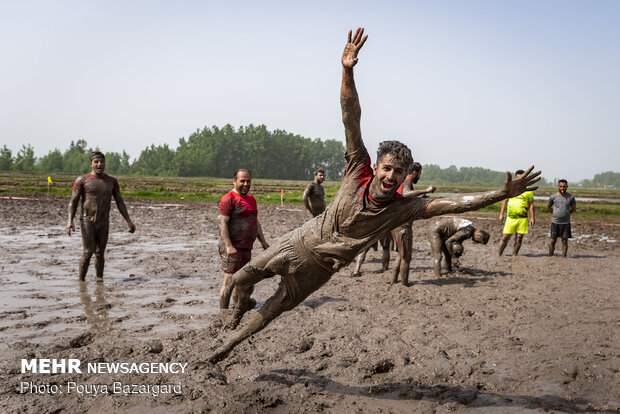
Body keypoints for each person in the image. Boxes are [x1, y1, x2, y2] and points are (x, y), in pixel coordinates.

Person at [207, 28, 540, 363]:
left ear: (404, 176)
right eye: (387, 169)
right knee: (239, 280)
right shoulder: (357, 169)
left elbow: (453, 204)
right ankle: (237, 312)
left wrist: (502, 193)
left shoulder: (402, 209)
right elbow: (351, 116)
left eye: (398, 172)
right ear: (377, 167)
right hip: (298, 242)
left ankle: (226, 347)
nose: (390, 176)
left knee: (273, 310)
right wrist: (347, 70)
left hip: (319, 269)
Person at [67, 151, 136, 281]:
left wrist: (128, 221)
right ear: (91, 163)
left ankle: (99, 280)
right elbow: (73, 201)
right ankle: (81, 282)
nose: (99, 164)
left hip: (104, 221)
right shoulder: (82, 180)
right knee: (88, 252)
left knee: (100, 253)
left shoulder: (111, 181)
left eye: (102, 161)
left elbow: (120, 202)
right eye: (96, 162)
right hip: (87, 220)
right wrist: (69, 221)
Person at [218, 169, 270, 310]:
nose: (246, 184)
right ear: (234, 181)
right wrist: (229, 246)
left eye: (248, 181)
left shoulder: (251, 199)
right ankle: (224, 313)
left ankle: (238, 306)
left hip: (246, 247)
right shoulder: (228, 199)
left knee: (246, 282)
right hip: (232, 247)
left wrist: (263, 242)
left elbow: (255, 222)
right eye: (242, 181)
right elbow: (222, 223)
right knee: (229, 282)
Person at [390, 162, 436, 285]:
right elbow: (405, 194)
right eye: (419, 174)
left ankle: (393, 281)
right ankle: (404, 284)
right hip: (404, 226)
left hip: (396, 224)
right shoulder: (407, 182)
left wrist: (423, 194)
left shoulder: (403, 182)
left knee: (401, 255)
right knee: (406, 257)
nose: (419, 177)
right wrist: (425, 190)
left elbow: (405, 198)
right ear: (415, 173)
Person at [498, 169, 535, 256]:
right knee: (505, 237)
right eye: (518, 178)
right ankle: (499, 255)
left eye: (521, 178)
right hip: (511, 218)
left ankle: (514, 255)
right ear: (515, 178)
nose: (519, 180)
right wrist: (501, 214)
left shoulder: (528, 190)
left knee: (519, 238)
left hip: (523, 218)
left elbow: (531, 205)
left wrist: (532, 217)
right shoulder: (510, 188)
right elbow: (505, 201)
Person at [546, 179, 576, 257]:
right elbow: (548, 207)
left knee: (564, 241)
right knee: (553, 240)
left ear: (567, 187)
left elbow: (573, 209)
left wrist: (566, 214)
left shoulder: (571, 197)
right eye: (561, 186)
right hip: (555, 222)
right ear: (558, 186)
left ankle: (563, 257)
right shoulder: (553, 196)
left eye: (564, 187)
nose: (562, 188)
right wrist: (555, 213)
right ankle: (550, 256)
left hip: (565, 223)